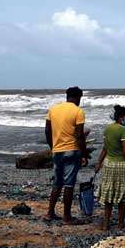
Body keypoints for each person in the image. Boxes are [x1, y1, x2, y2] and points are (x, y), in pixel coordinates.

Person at [43, 86, 89, 225]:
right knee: (69, 184)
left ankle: (50, 213)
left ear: (67, 96)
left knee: (57, 183)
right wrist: (84, 153)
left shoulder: (53, 109)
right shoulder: (78, 111)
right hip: (72, 150)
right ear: (78, 97)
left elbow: (47, 131)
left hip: (57, 151)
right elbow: (80, 135)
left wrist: (53, 147)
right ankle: (67, 217)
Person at [95, 105, 125, 231]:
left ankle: (106, 224)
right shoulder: (123, 131)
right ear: (121, 118)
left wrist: (98, 163)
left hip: (108, 164)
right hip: (121, 166)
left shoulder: (108, 129)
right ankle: (120, 225)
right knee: (122, 197)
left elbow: (105, 149)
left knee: (108, 195)